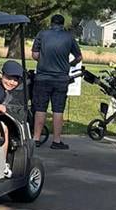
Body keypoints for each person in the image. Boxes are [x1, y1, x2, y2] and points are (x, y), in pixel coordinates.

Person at [31, 14, 82, 150]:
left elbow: (35, 55)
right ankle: (57, 141)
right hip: (60, 79)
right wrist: (69, 64)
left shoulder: (42, 34)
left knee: (40, 108)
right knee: (58, 109)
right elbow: (79, 57)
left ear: (51, 23)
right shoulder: (69, 37)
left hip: (42, 77)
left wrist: (43, 61)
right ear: (63, 24)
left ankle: (36, 138)